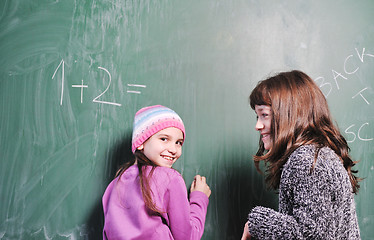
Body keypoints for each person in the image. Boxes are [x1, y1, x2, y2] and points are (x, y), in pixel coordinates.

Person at [241, 70, 361, 239]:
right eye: (257, 116)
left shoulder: (307, 161)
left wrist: (255, 222)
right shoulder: (318, 156)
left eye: (264, 115)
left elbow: (309, 235)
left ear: (289, 114)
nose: (258, 126)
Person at [102, 105, 211, 240]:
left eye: (179, 142)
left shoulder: (114, 185)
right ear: (141, 141)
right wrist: (199, 197)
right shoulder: (170, 179)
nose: (173, 149)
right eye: (164, 139)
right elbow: (187, 237)